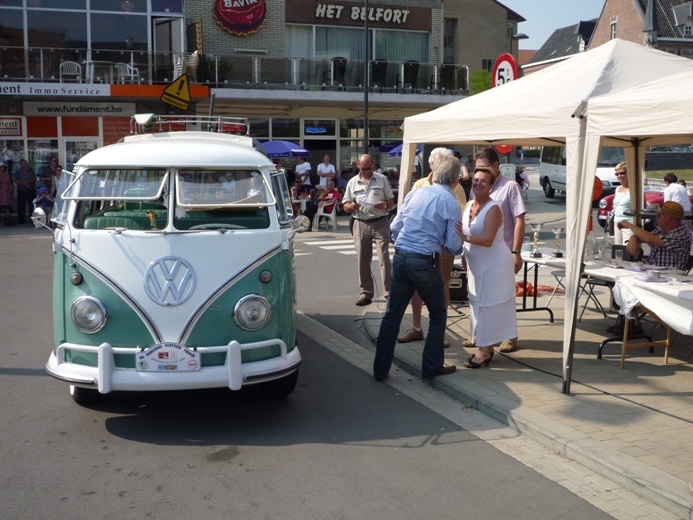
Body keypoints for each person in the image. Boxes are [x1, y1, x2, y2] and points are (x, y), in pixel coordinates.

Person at [373, 154, 463, 381]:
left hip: (402, 255)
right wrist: (453, 246)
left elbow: (394, 226)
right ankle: (431, 366)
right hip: (424, 260)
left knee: (393, 313)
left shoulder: (416, 191)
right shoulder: (451, 202)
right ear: (455, 179)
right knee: (438, 312)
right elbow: (452, 245)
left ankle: (380, 369)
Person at [397, 147, 467, 348]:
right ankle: (417, 327)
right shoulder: (419, 184)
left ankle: (440, 332)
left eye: (443, 162)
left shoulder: (456, 188)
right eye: (437, 162)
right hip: (423, 248)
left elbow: (458, 217)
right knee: (415, 289)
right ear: (430, 165)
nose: (439, 166)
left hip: (443, 246)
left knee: (443, 285)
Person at [464, 147, 526, 353]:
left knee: (502, 296)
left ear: (495, 166)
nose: (479, 174)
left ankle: (509, 336)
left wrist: (516, 252)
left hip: (502, 251)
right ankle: (482, 336)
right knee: (481, 298)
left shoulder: (510, 187)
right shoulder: (475, 189)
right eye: (476, 169)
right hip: (479, 256)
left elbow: (519, 220)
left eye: (483, 168)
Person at [343, 153, 394, 306]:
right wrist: (352, 206)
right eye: (363, 168)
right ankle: (366, 293)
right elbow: (345, 205)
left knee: (384, 258)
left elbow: (391, 201)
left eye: (369, 168)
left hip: (380, 221)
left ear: (373, 166)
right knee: (363, 260)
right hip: (361, 222)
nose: (366, 171)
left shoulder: (381, 179)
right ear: (358, 166)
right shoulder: (353, 182)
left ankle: (389, 292)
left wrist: (384, 205)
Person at [618, 201, 692, 271]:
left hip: (671, 278)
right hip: (652, 274)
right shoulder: (661, 231)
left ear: (668, 218)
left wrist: (629, 225)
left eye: (659, 216)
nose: (657, 218)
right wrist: (633, 237)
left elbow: (649, 238)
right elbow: (644, 236)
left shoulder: (680, 236)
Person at [612, 163, 635, 246]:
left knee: (627, 249)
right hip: (617, 223)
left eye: (622, 173)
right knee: (617, 248)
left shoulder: (635, 188)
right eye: (617, 174)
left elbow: (643, 206)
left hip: (629, 223)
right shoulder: (617, 188)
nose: (619, 176)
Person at [14, 159, 36, 225]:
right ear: (21, 165)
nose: (26, 165)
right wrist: (23, 184)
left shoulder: (30, 171)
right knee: (21, 207)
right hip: (22, 191)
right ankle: (21, 221)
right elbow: (16, 181)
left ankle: (33, 220)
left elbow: (34, 179)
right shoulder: (18, 172)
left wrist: (28, 183)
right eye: (25, 164)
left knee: (32, 207)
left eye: (27, 164)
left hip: (30, 191)